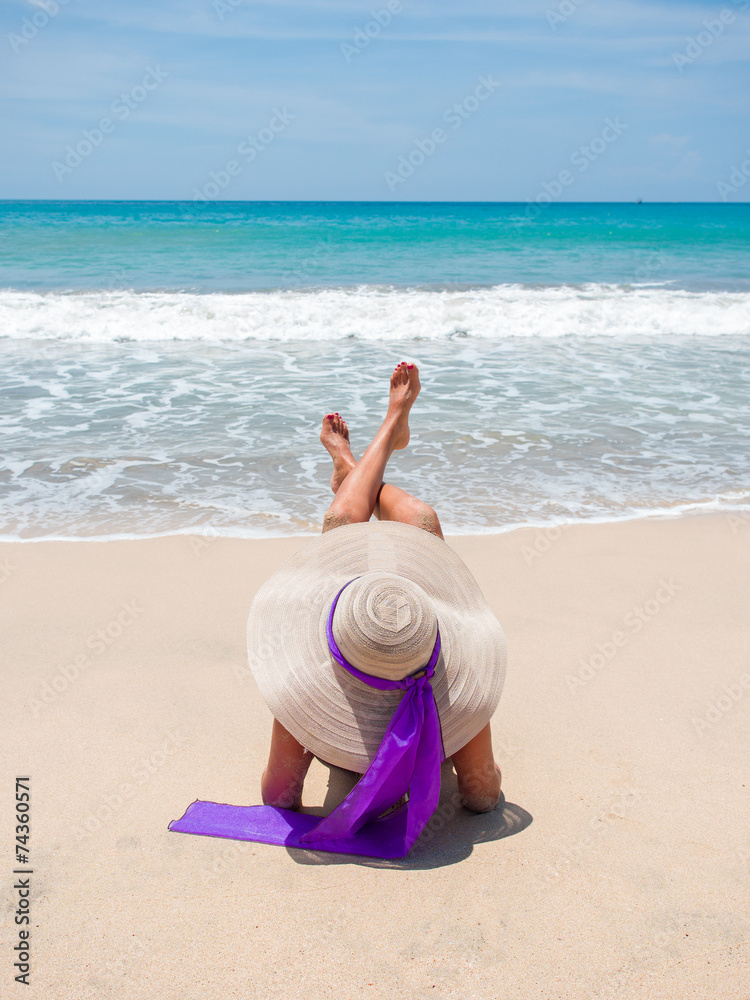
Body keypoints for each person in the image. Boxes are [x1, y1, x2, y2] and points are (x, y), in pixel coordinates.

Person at [258, 361, 504, 818]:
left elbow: (277, 797)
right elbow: (483, 794)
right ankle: (381, 440)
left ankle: (356, 465)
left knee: (340, 524)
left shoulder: (306, 678)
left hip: (343, 710)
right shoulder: (448, 682)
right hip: (426, 702)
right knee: (422, 521)